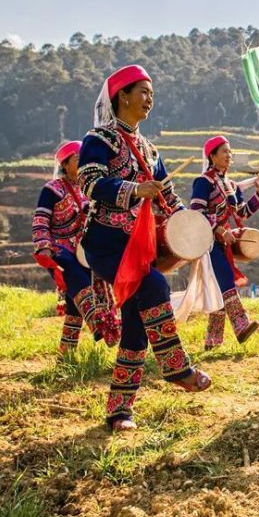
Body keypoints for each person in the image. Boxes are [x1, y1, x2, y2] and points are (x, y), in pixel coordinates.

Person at [78, 64, 211, 432]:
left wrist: (190, 226)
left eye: (152, 93)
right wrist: (135, 190)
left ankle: (120, 410)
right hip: (105, 242)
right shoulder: (99, 140)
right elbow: (90, 183)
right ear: (122, 96)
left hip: (140, 244)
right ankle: (176, 367)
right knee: (154, 285)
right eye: (143, 92)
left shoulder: (150, 150)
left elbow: (169, 197)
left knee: (137, 326)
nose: (150, 99)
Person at [191, 135, 259, 349]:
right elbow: (196, 212)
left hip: (223, 244)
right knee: (225, 280)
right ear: (212, 156)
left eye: (230, 151)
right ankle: (241, 325)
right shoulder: (203, 182)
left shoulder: (231, 185)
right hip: (207, 242)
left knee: (219, 287)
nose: (229, 155)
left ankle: (212, 342)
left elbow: (242, 212)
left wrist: (258, 197)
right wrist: (217, 229)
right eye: (224, 151)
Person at [32, 140, 92, 354]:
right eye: (77, 158)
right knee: (76, 277)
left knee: (74, 303)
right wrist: (44, 247)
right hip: (59, 248)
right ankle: (98, 321)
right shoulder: (52, 190)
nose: (82, 161)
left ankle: (67, 352)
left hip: (84, 249)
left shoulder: (91, 188)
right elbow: (41, 219)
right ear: (65, 165)